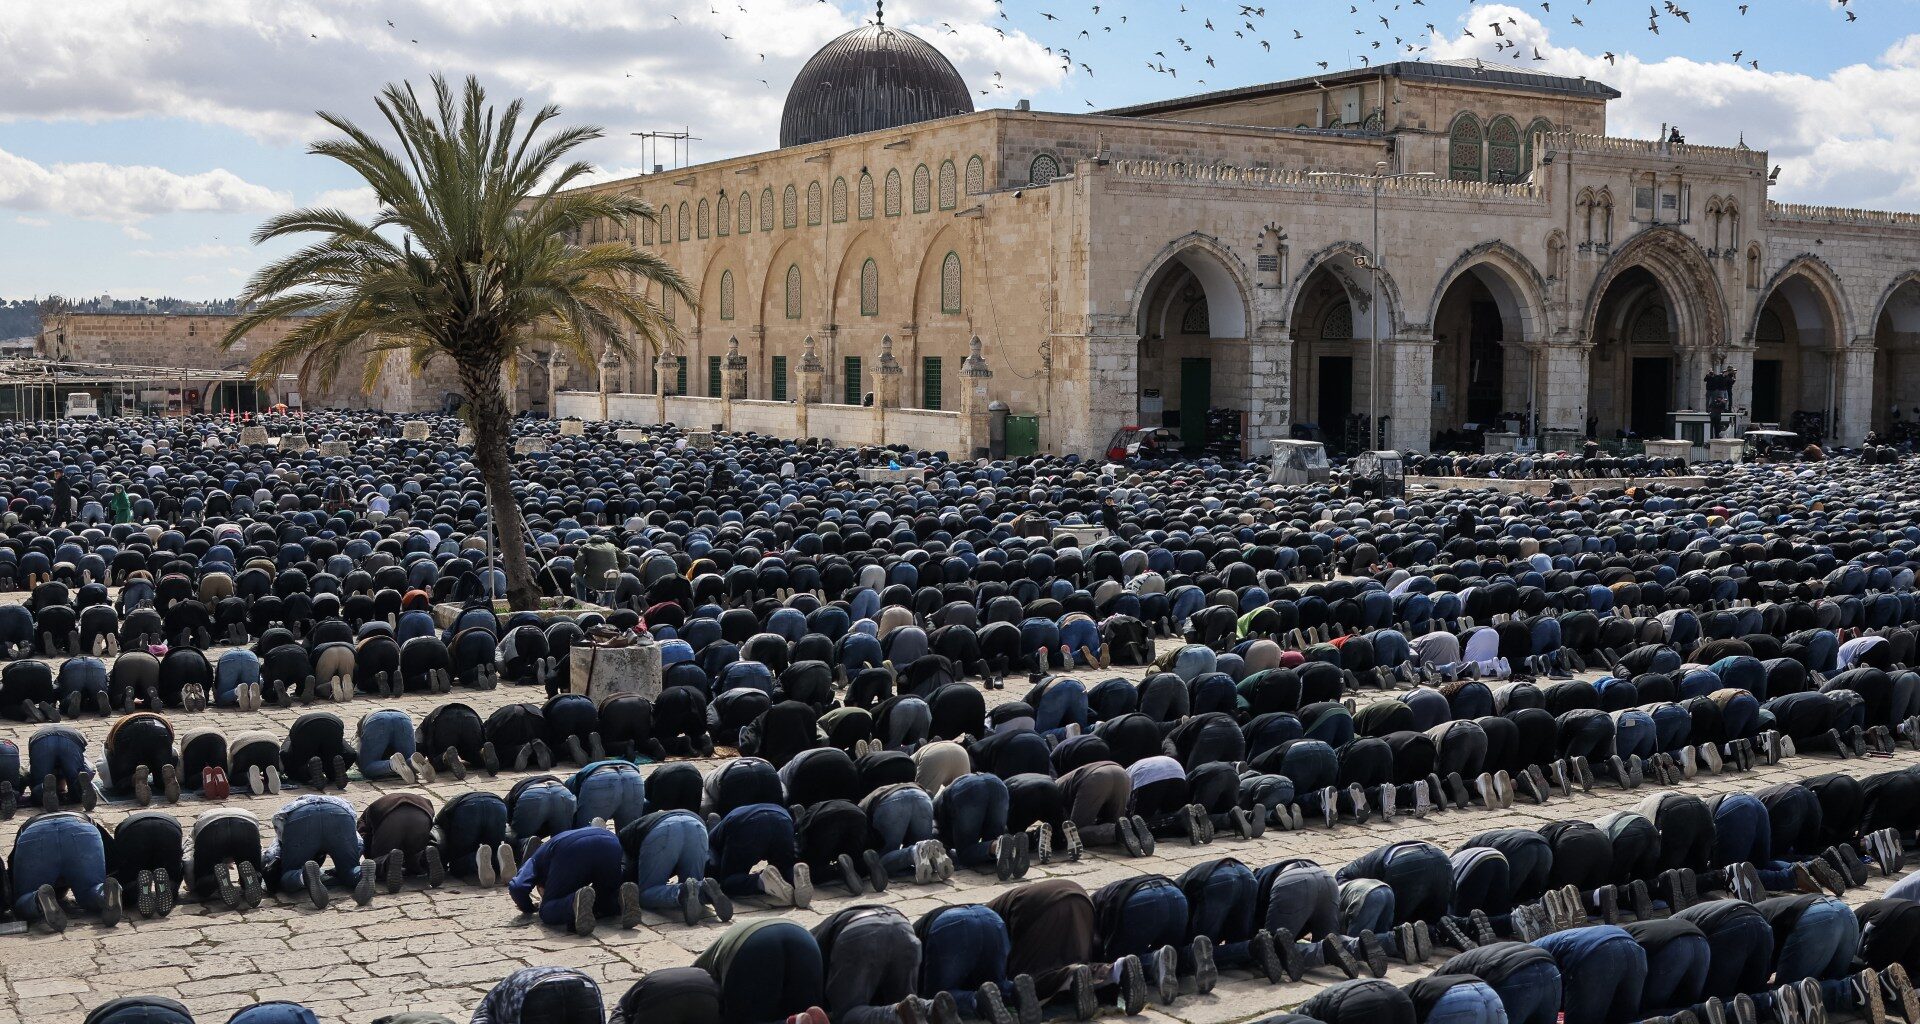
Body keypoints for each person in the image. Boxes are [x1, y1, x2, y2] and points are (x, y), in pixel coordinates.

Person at [507, 824, 638, 935]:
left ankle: (572, 903)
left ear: (540, 885)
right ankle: (619, 898)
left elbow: (517, 887)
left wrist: (529, 908)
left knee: (546, 910)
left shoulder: (535, 860)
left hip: (570, 849)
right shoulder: (549, 853)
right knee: (604, 894)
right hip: (610, 841)